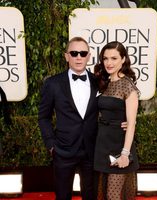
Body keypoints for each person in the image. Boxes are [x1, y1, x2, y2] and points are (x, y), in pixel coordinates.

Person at [38, 37, 99, 200]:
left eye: (82, 53)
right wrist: (51, 144)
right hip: (63, 150)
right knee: (63, 196)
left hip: (91, 150)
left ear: (88, 56)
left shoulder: (98, 81)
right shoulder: (53, 83)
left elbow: (109, 108)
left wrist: (125, 120)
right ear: (66, 56)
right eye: (74, 53)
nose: (78, 57)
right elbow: (43, 117)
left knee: (91, 195)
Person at [94, 41, 140, 200]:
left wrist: (125, 154)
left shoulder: (128, 87)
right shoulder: (103, 82)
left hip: (119, 145)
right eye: (105, 59)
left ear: (123, 59)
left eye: (114, 58)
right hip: (102, 144)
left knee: (113, 195)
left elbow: (131, 123)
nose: (109, 63)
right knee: (103, 193)